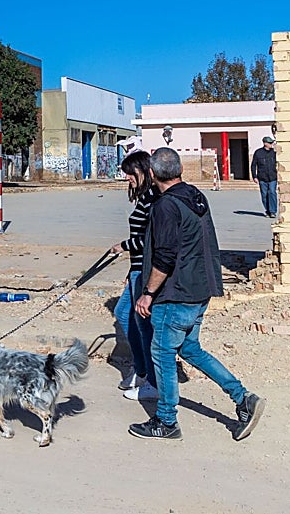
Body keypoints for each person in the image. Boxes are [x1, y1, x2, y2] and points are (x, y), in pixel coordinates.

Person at [130, 147, 265, 441]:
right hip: (200, 289)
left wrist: (148, 293)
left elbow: (165, 257)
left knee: (162, 353)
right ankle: (243, 399)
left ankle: (166, 420)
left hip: (176, 293)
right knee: (190, 349)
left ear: (152, 174)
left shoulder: (166, 206)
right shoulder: (195, 196)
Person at [110, 151, 157, 400]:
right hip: (136, 268)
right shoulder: (143, 197)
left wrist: (124, 246)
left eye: (130, 172)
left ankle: (151, 377)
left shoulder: (153, 198)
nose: (126, 177)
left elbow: (151, 239)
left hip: (145, 268)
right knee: (123, 314)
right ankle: (140, 369)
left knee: (141, 324)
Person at [251, 136, 278, 218]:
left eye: (272, 143)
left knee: (272, 192)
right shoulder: (258, 153)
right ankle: (268, 210)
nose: (271, 144)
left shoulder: (274, 152)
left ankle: (273, 211)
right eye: (270, 143)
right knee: (264, 194)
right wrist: (254, 176)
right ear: (265, 143)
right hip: (262, 178)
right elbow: (253, 165)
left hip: (273, 177)